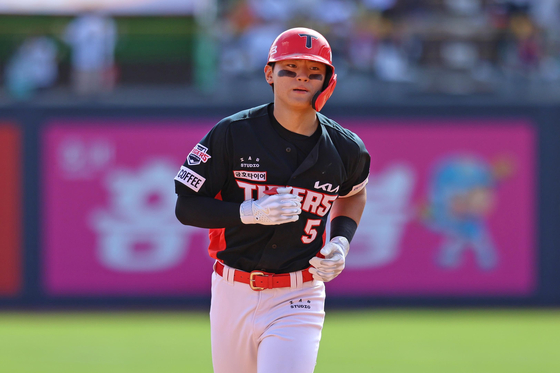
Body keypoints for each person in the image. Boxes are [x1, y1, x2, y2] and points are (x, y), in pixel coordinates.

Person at [174, 27, 370, 373]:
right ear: (269, 73)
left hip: (300, 292)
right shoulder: (233, 133)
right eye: (289, 69)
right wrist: (249, 212)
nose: (301, 78)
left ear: (327, 80)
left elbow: (354, 194)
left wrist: (341, 242)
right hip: (232, 288)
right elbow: (186, 206)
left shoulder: (345, 148)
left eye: (313, 72)